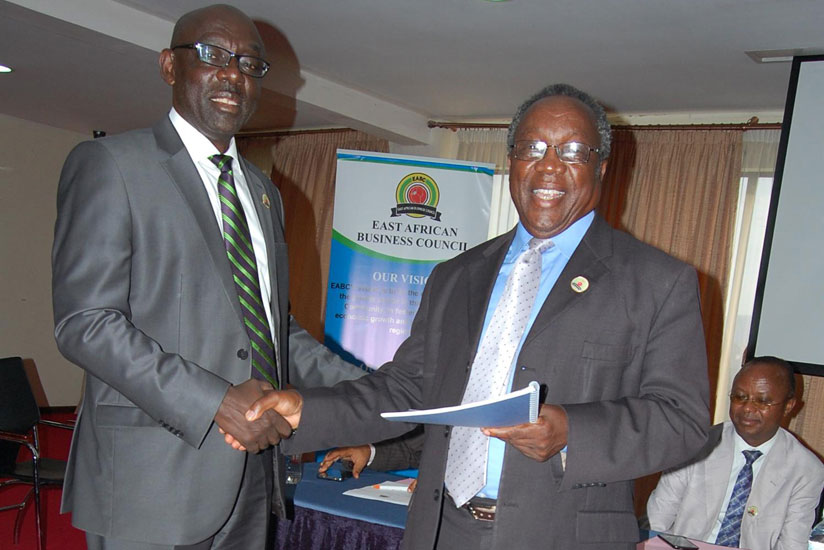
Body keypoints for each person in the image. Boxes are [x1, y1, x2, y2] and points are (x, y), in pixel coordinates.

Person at [235, 83, 711, 550]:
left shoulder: (656, 281)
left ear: (601, 167)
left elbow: (683, 421)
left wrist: (571, 431)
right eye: (532, 147)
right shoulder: (456, 275)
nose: (549, 165)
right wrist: (306, 409)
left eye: (572, 152)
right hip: (442, 528)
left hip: (561, 534)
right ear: (512, 162)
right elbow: (404, 388)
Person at [51, 5, 363, 549]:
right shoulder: (111, 165)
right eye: (213, 55)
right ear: (170, 66)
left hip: (252, 475)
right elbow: (86, 323)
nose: (232, 74)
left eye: (248, 64)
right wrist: (217, 401)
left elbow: (273, 331)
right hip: (151, 479)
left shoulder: (264, 193)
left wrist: (371, 389)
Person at [647, 357, 824, 550]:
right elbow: (657, 522)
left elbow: (792, 545)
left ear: (788, 406)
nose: (748, 408)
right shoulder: (696, 445)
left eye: (762, 401)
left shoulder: (806, 470)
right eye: (740, 397)